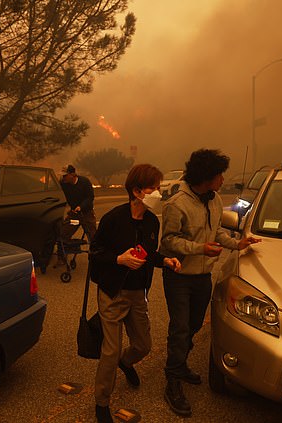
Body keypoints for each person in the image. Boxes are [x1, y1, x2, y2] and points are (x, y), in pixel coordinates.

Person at [159, 149, 261, 417]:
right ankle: (173, 380)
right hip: (178, 276)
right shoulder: (176, 204)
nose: (223, 179)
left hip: (203, 277)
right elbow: (167, 242)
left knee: (193, 325)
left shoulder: (214, 200)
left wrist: (238, 244)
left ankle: (179, 364)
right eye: (219, 175)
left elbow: (217, 232)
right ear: (206, 177)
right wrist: (199, 248)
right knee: (180, 328)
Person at [89, 164, 182, 423]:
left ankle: (126, 362)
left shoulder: (152, 221)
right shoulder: (113, 219)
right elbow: (95, 251)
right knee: (110, 351)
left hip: (138, 293)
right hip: (112, 293)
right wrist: (119, 259)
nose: (158, 192)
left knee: (143, 345)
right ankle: (101, 402)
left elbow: (149, 254)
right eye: (153, 187)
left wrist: (165, 261)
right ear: (137, 191)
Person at [55, 165, 97, 266]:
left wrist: (81, 206)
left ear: (72, 174)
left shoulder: (84, 182)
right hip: (74, 214)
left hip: (86, 213)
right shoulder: (63, 184)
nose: (63, 178)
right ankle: (61, 257)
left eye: (65, 175)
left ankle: (96, 258)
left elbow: (90, 197)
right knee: (63, 233)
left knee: (93, 236)